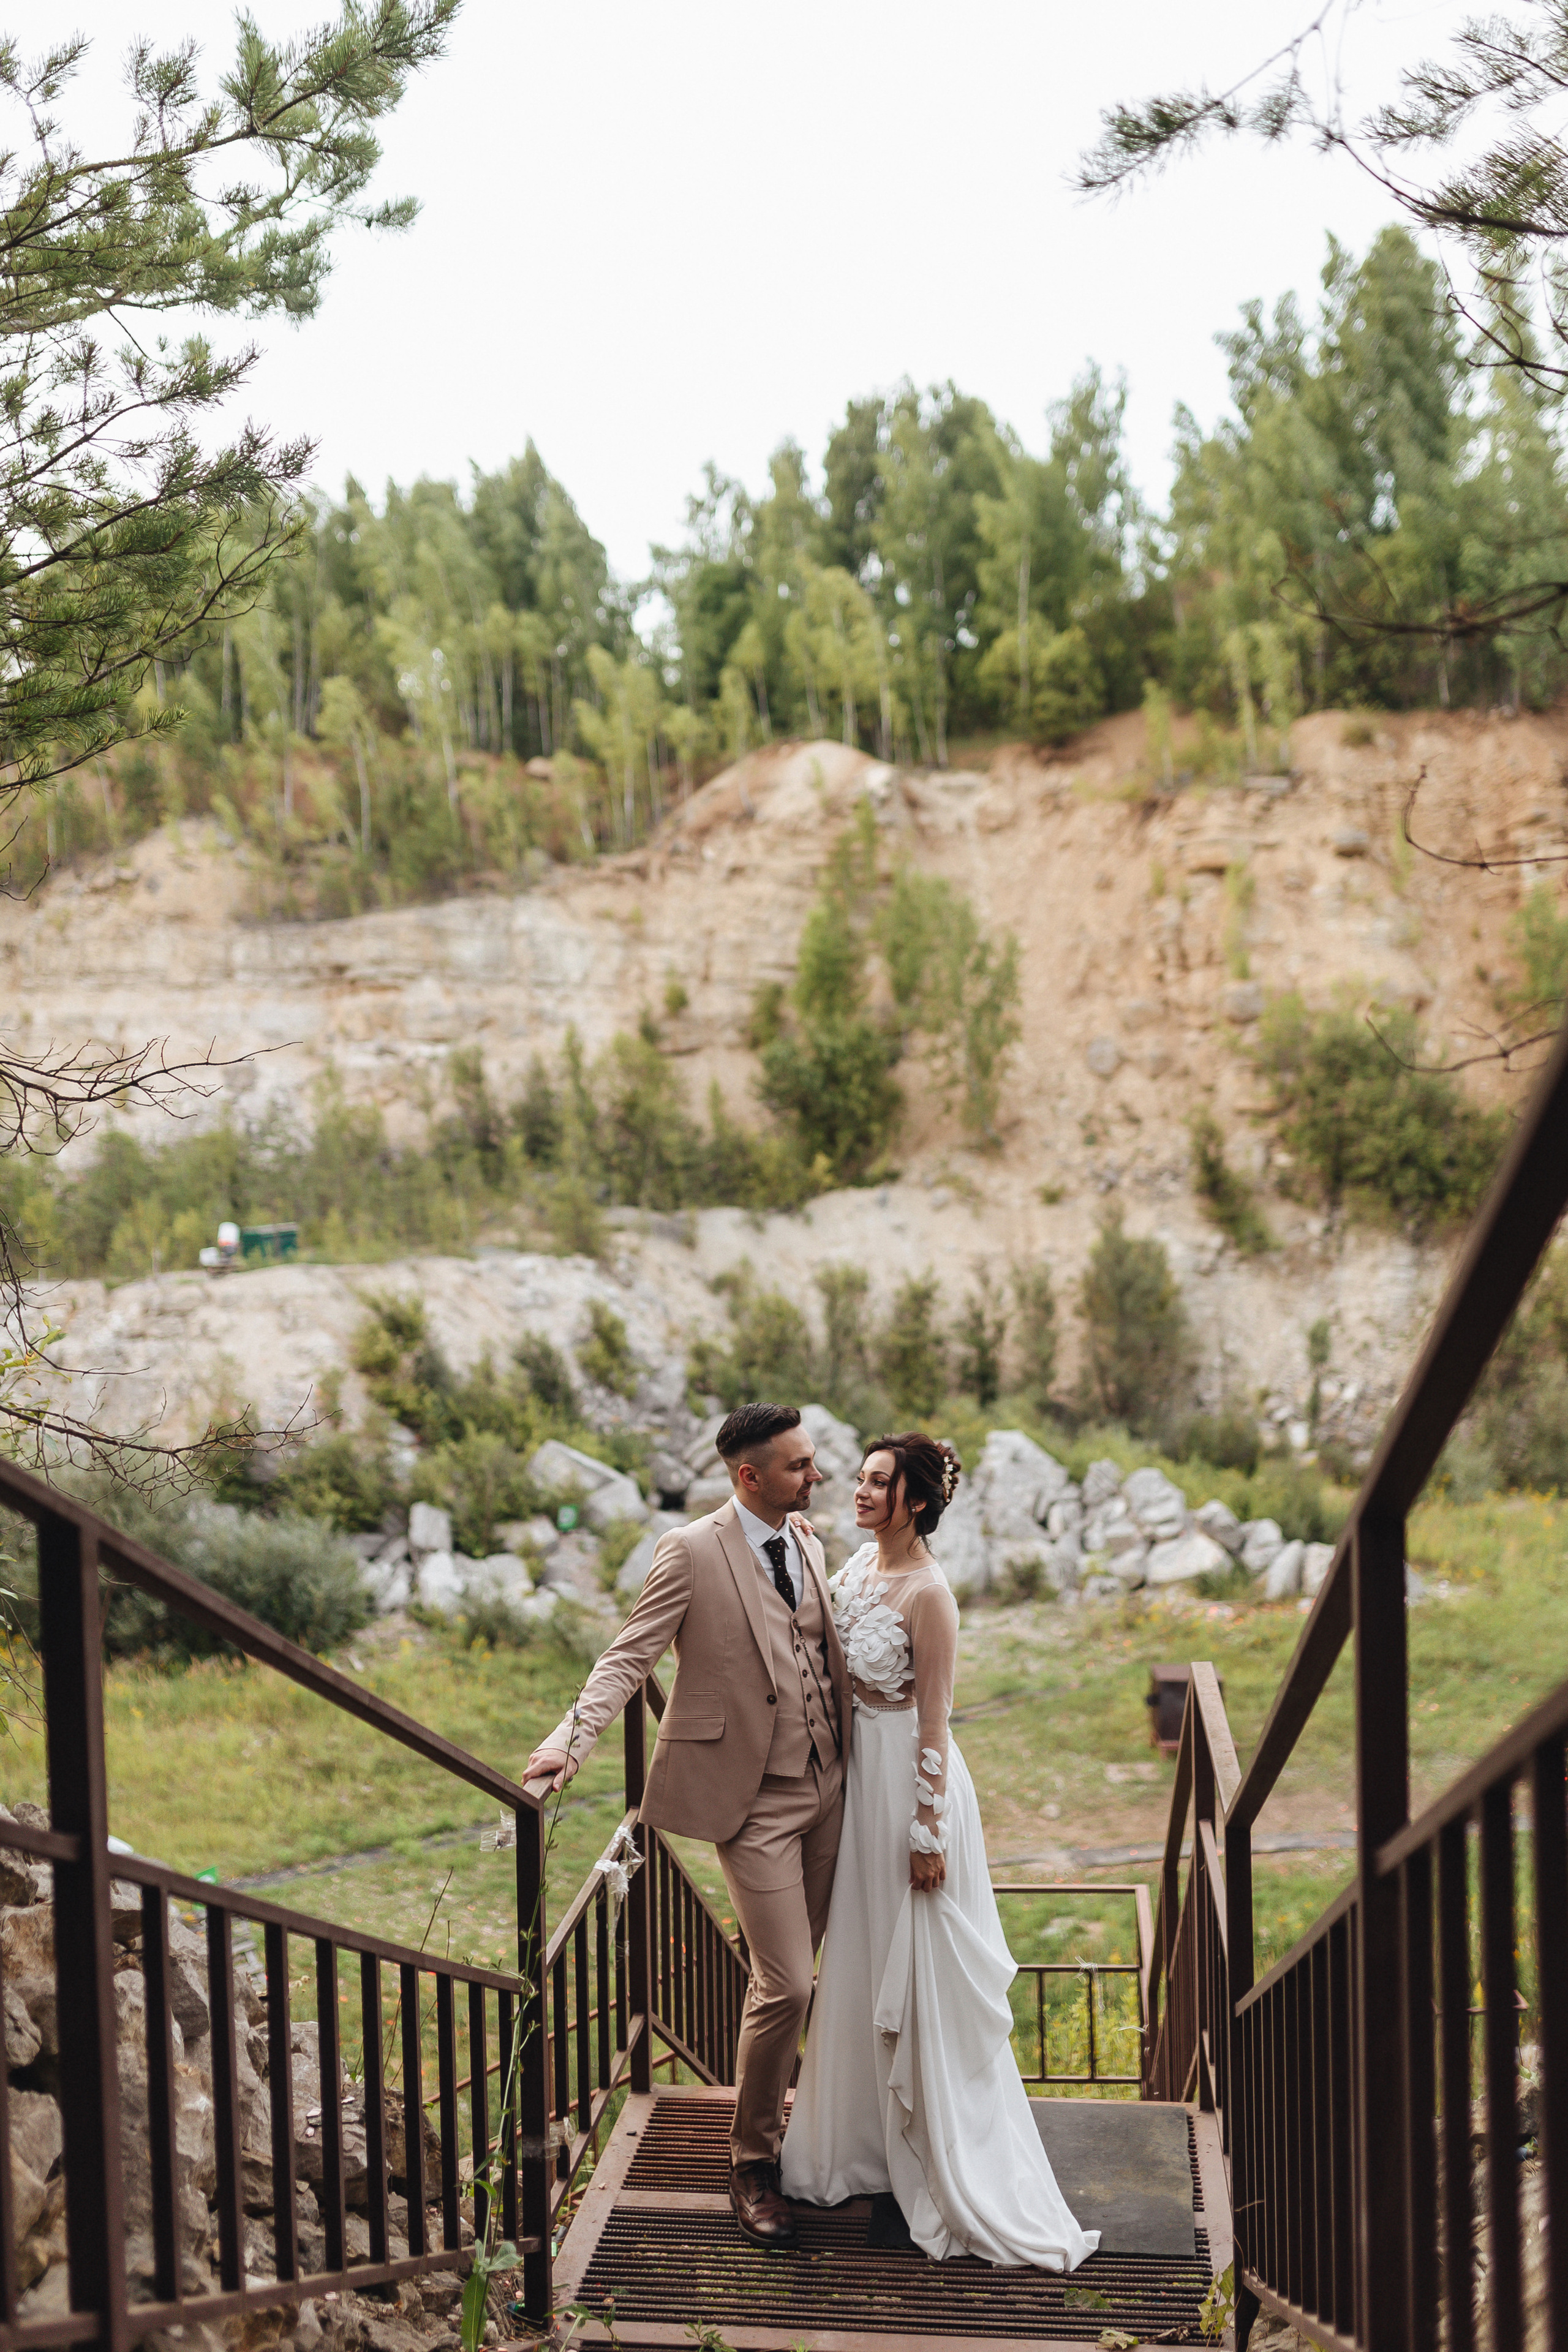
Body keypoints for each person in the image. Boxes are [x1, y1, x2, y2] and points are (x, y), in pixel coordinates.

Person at [524, 1400, 850, 2250]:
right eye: (800, 1467)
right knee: (787, 1983)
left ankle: (824, 2133)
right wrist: (570, 1738)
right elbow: (630, 1654)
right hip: (755, 1803)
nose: (817, 1477)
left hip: (834, 1791)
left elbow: (821, 1657)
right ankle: (752, 2161)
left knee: (813, 1973)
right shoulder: (692, 1552)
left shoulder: (809, 1541)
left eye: (812, 1462)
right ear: (750, 1476)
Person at [780, 1433, 1099, 2270]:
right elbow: (824, 1613)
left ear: (914, 1500)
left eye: (878, 1482)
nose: (858, 1490)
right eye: (858, 1477)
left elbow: (935, 1719)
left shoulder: (931, 1595)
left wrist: (928, 1833)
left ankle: (935, 2157)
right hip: (858, 1788)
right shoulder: (854, 1567)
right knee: (858, 1955)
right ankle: (854, 2148)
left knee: (912, 1965)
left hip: (908, 1792)